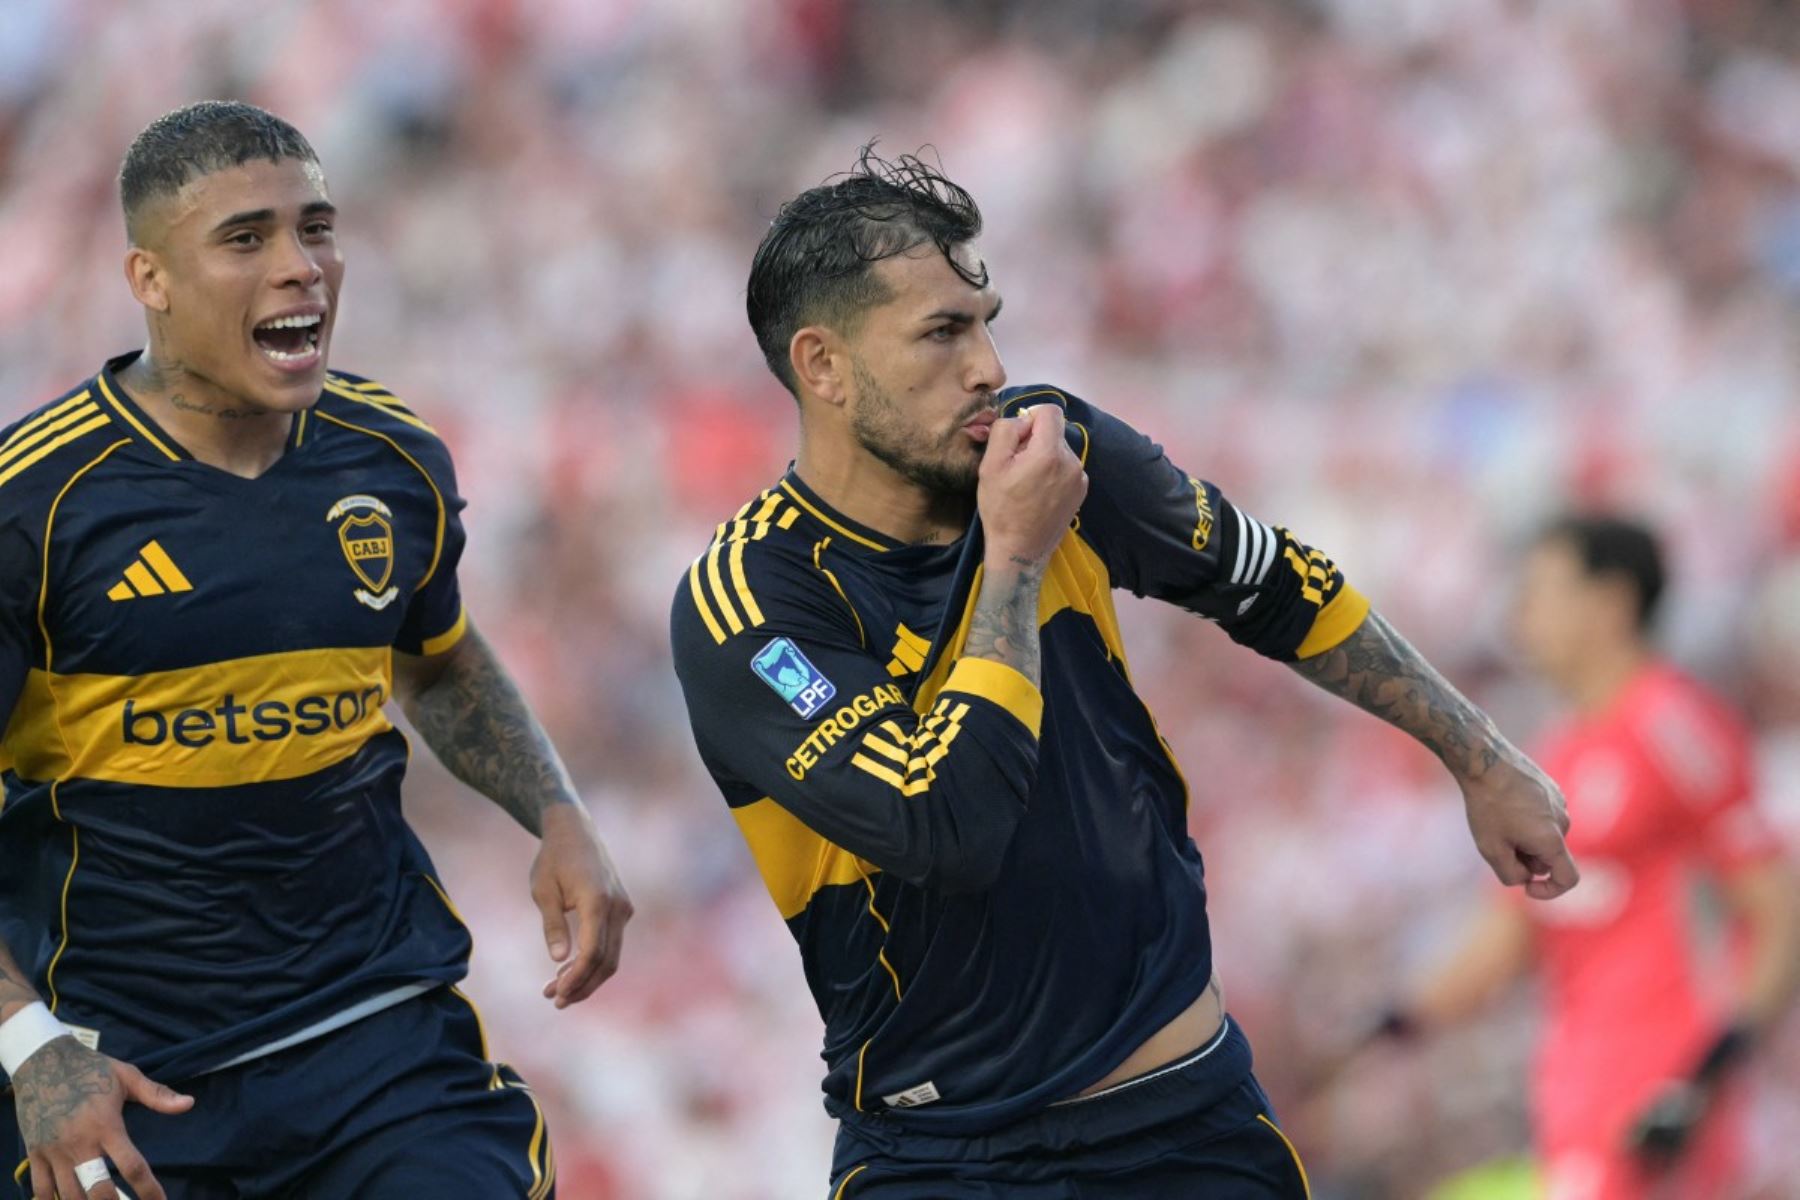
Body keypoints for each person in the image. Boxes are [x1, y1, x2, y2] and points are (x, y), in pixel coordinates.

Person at [667, 147, 1577, 1198]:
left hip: (1188, 1123)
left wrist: (1479, 755)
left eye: (986, 320)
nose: (989, 367)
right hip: (947, 1161)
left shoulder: (1055, 448)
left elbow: (1273, 581)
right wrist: (1012, 560)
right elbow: (945, 826)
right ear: (822, 366)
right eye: (942, 333)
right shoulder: (754, 605)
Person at [0, 101, 633, 1200]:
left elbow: (435, 658)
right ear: (148, 279)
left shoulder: (388, 460)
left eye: (317, 228)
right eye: (246, 238)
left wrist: (557, 812)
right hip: (130, 1075)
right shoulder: (36, 507)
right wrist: (25, 1043)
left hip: (376, 1040)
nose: (302, 268)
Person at [1371, 516, 1800, 1199]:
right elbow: (1508, 931)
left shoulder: (1673, 728)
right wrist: (1397, 1020)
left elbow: (1774, 910)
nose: (1521, 612)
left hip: (1662, 1095)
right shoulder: (1556, 755)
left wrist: (1715, 1066)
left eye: (1541, 590)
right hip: (1577, 1096)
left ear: (1611, 603)